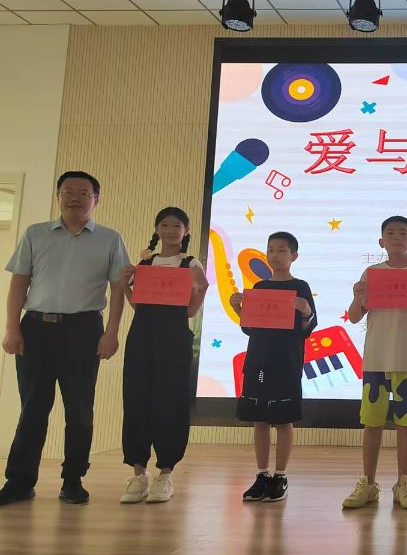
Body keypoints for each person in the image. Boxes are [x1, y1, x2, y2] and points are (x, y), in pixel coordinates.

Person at [0, 171, 129, 506]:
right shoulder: (36, 233)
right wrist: (12, 328)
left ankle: (73, 480)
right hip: (36, 330)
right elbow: (19, 283)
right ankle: (19, 482)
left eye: (83, 193)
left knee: (80, 409)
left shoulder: (110, 239)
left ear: (96, 199)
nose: (75, 198)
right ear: (59, 196)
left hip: (83, 332)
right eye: (68, 191)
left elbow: (118, 290)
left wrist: (112, 332)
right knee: (33, 408)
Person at [343, 216, 407, 510]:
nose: (397, 237)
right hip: (376, 359)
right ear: (381, 241)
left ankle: (403, 483)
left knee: (406, 424)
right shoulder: (371, 273)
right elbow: (355, 316)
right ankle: (368, 484)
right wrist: (358, 296)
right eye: (390, 233)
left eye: (402, 233)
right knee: (371, 423)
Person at [118, 207, 208, 504]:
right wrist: (126, 284)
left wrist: (201, 288)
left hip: (174, 341)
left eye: (176, 225)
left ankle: (166, 474)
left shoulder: (190, 263)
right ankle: (138, 474)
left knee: (171, 401)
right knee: (136, 398)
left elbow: (191, 311)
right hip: (141, 338)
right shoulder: (146, 262)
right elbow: (138, 305)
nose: (170, 230)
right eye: (164, 225)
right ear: (157, 229)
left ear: (186, 231)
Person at [230, 232, 316, 503]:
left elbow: (307, 329)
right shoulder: (259, 287)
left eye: (281, 250)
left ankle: (280, 476)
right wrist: (238, 308)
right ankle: (262, 475)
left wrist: (306, 312)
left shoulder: (300, 287)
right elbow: (249, 327)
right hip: (258, 359)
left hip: (286, 361)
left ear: (294, 256)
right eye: (271, 250)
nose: (275, 255)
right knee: (260, 419)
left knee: (284, 419)